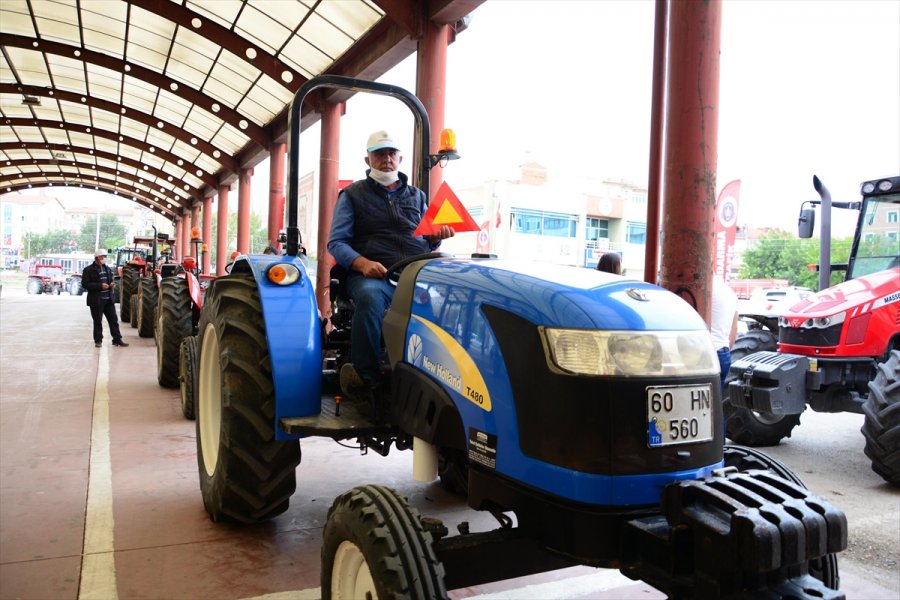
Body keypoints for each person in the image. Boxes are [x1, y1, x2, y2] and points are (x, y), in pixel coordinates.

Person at [327, 130, 454, 405]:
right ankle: (367, 380)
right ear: (368, 158)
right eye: (379, 153)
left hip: (413, 273)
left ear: (400, 158)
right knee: (372, 298)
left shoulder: (417, 197)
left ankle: (440, 375)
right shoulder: (352, 195)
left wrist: (435, 237)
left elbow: (425, 240)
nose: (386, 159)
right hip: (372, 276)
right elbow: (336, 243)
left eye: (391, 153)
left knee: (448, 300)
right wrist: (362, 263)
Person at [82, 249, 129, 348]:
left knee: (113, 320)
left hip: (108, 299)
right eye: (103, 256)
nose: (105, 258)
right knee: (98, 321)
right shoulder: (88, 270)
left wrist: (112, 285)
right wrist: (100, 286)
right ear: (98, 257)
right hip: (96, 300)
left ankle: (117, 339)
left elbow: (110, 280)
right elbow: (85, 284)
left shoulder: (107, 269)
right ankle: (98, 341)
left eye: (105, 256)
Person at [710, 277, 738, 394]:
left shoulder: (705, 289)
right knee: (716, 405)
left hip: (707, 355)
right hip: (723, 353)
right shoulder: (730, 293)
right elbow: (734, 331)